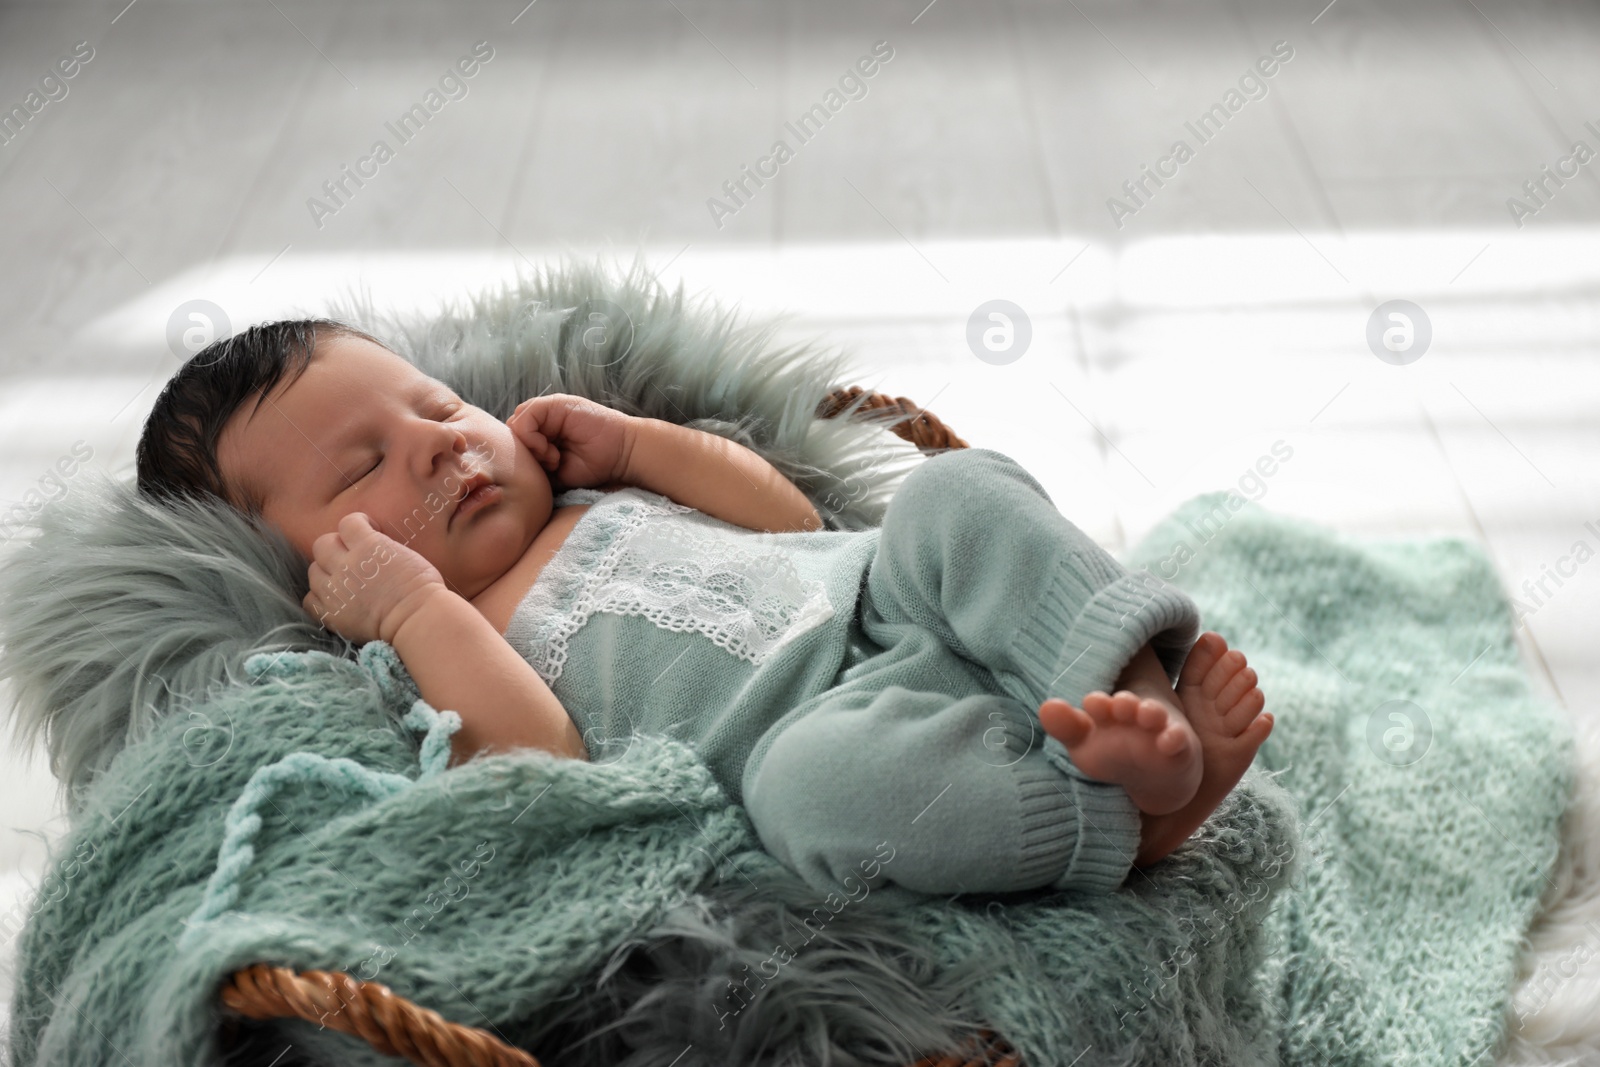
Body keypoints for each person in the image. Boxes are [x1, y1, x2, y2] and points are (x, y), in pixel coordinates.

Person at [135, 319, 1272, 899]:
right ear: (320, 574)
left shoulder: (583, 490)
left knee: (950, 490)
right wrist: (414, 607)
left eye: (436, 403)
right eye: (361, 466)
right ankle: (1121, 811)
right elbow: (542, 755)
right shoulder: (423, 649)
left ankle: (1122, 676)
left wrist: (639, 445)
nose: (441, 439)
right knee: (812, 794)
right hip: (820, 731)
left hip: (880, 593)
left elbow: (795, 527)